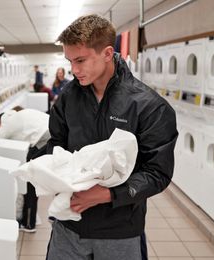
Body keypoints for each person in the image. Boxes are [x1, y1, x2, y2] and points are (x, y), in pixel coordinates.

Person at [45, 14, 178, 260]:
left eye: (81, 60)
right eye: (69, 61)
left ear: (107, 53)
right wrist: (41, 165)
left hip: (120, 231)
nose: (74, 70)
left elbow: (157, 173)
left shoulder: (148, 106)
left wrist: (106, 194)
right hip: (69, 225)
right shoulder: (68, 98)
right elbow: (57, 144)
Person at [0, 106, 50, 232]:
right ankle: (31, 218)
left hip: (47, 139)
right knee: (31, 177)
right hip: (51, 135)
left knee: (29, 180)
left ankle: (29, 223)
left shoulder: (6, 122)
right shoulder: (16, 115)